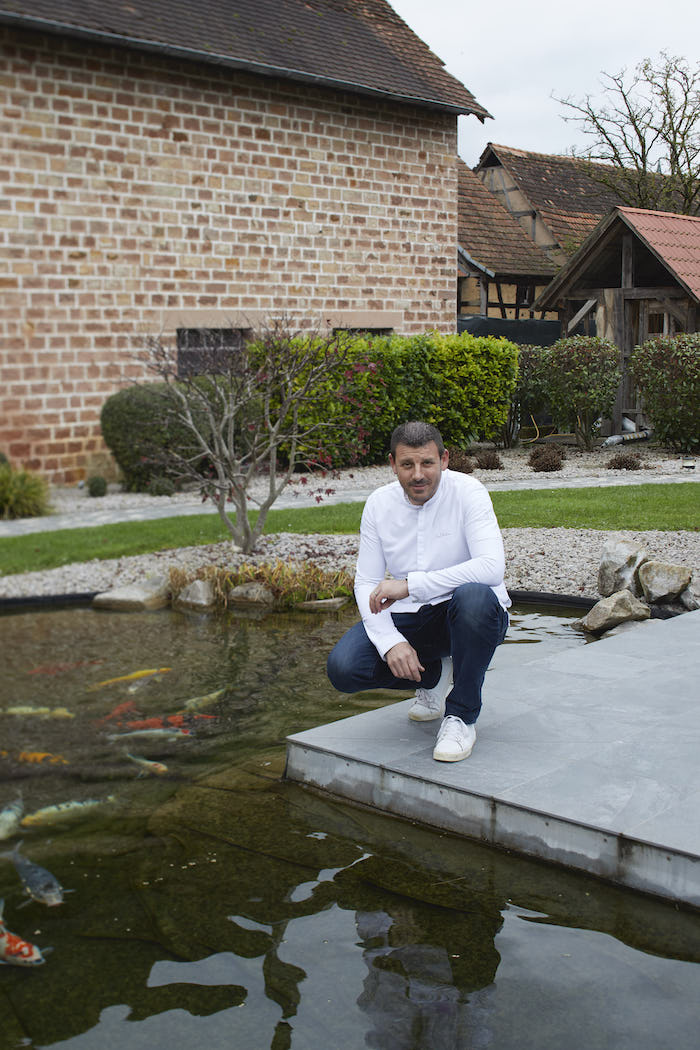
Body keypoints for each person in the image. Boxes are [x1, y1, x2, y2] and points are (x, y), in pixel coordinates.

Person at [327, 421, 510, 762]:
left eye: (427, 463)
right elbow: (366, 582)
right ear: (392, 464)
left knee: (474, 596)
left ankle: (461, 716)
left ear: (444, 459)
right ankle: (436, 674)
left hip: (471, 615)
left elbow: (491, 567)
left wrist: (411, 584)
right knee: (344, 668)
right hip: (413, 617)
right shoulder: (379, 504)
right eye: (407, 464)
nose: (418, 474)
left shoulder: (469, 492)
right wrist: (390, 641)